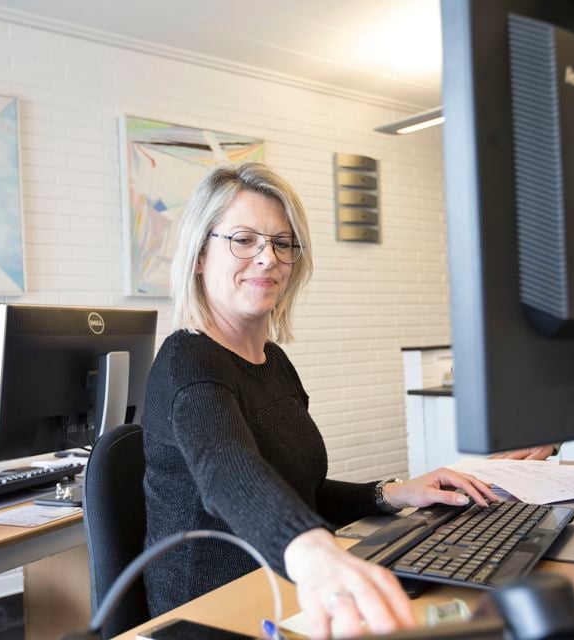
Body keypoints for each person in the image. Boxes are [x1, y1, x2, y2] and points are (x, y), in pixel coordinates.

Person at [141, 162, 499, 639]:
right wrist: (313, 551)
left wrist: (390, 493)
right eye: (243, 239)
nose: (267, 258)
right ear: (200, 255)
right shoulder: (187, 361)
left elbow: (298, 487)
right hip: (206, 615)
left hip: (278, 587)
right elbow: (225, 470)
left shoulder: (275, 362)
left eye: (281, 243)